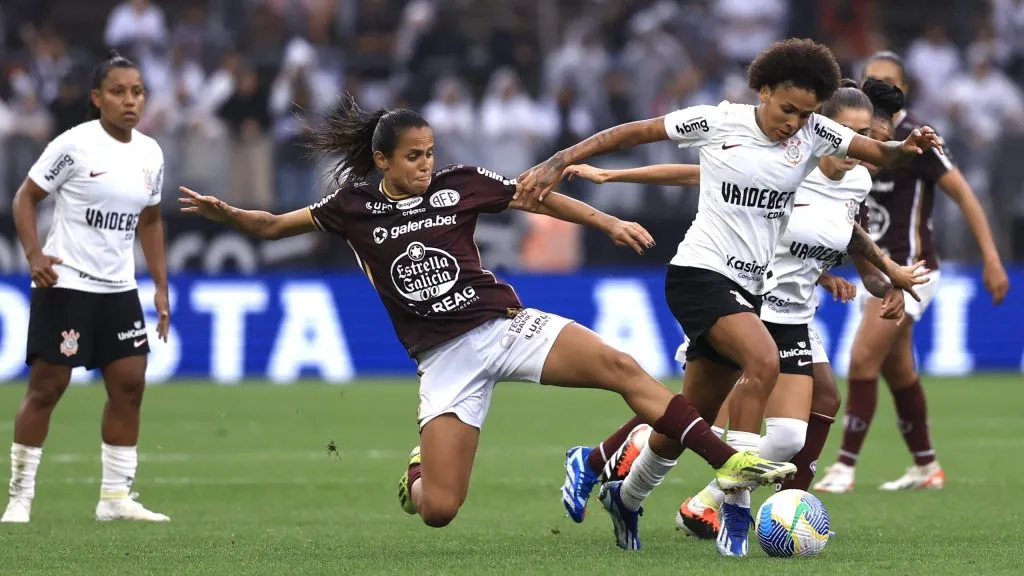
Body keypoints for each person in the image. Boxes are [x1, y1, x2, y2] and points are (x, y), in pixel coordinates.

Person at [176, 94, 797, 536]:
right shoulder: (351, 205)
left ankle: (726, 460)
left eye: (430, 152)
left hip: (503, 325)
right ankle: (417, 472)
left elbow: (539, 195)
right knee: (440, 508)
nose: (425, 164)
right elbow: (270, 225)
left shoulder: (462, 183)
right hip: (444, 358)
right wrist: (229, 215)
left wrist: (606, 220)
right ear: (384, 160)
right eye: (414, 156)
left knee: (620, 366)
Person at [516, 38, 943, 556]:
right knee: (762, 360)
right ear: (762, 90)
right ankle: (736, 514)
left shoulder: (815, 135)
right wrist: (561, 160)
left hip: (749, 287)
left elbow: (877, 153)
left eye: (806, 113)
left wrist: (907, 147)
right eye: (787, 109)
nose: (794, 122)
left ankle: (624, 494)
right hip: (698, 271)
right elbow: (638, 133)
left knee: (687, 415)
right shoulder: (719, 122)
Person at [813, 51, 1011, 495]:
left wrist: (992, 258)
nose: (879, 85)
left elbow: (964, 195)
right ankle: (926, 466)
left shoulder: (915, 138)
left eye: (889, 80)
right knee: (898, 371)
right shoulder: (852, 137)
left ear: (902, 88)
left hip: (913, 270)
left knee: (862, 358)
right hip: (877, 269)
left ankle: (844, 467)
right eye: (872, 78)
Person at [2, 50, 170, 524]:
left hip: (118, 289)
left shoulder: (150, 153)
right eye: (118, 92)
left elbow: (151, 221)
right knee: (48, 386)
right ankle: (20, 497)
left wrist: (160, 285)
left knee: (130, 384)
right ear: (97, 98)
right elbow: (25, 198)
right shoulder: (73, 145)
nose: (129, 100)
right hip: (67, 283)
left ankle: (115, 499)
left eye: (137, 91)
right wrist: (34, 256)